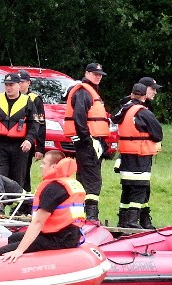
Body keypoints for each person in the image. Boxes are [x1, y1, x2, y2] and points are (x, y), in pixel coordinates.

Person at [0, 150, 86, 261]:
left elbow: (38, 222)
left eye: (44, 163)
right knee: (12, 238)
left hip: (58, 238)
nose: (41, 166)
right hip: (66, 234)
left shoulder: (54, 188)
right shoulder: (69, 183)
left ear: (54, 167)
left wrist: (19, 250)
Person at [111, 83, 163, 229]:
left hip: (125, 156)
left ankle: (123, 220)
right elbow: (158, 133)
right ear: (144, 95)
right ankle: (132, 221)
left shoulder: (124, 110)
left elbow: (113, 118)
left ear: (132, 94)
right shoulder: (143, 112)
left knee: (127, 189)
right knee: (139, 189)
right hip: (140, 156)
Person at [63, 62, 111, 222]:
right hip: (87, 140)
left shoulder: (89, 91)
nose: (98, 77)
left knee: (84, 177)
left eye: (100, 75)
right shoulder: (84, 92)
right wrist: (86, 140)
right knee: (92, 178)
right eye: (95, 74)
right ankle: (91, 216)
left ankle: (80, 213)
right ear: (87, 74)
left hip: (89, 139)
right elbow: (79, 117)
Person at [0, 72, 39, 188]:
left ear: (19, 85)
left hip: (20, 146)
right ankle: (0, 203)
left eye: (11, 85)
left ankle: (17, 204)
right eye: (6, 85)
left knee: (18, 177)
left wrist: (29, 140)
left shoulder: (28, 101)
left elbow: (34, 123)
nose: (8, 88)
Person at [17, 69, 46, 196]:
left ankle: (24, 200)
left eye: (21, 82)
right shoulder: (7, 97)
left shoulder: (35, 99)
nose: (19, 85)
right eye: (16, 82)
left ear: (28, 83)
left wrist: (40, 148)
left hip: (26, 141)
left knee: (23, 173)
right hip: (9, 141)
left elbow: (41, 124)